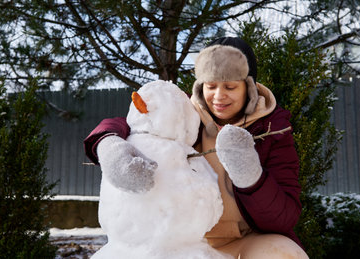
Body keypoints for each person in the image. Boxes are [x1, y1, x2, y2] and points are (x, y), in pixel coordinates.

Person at [84, 37, 309, 259]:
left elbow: (284, 218)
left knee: (284, 255)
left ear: (249, 88)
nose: (219, 96)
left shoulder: (273, 130)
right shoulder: (184, 116)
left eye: (230, 86)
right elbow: (136, 120)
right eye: (211, 86)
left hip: (248, 240)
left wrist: (250, 175)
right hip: (189, 243)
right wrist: (108, 143)